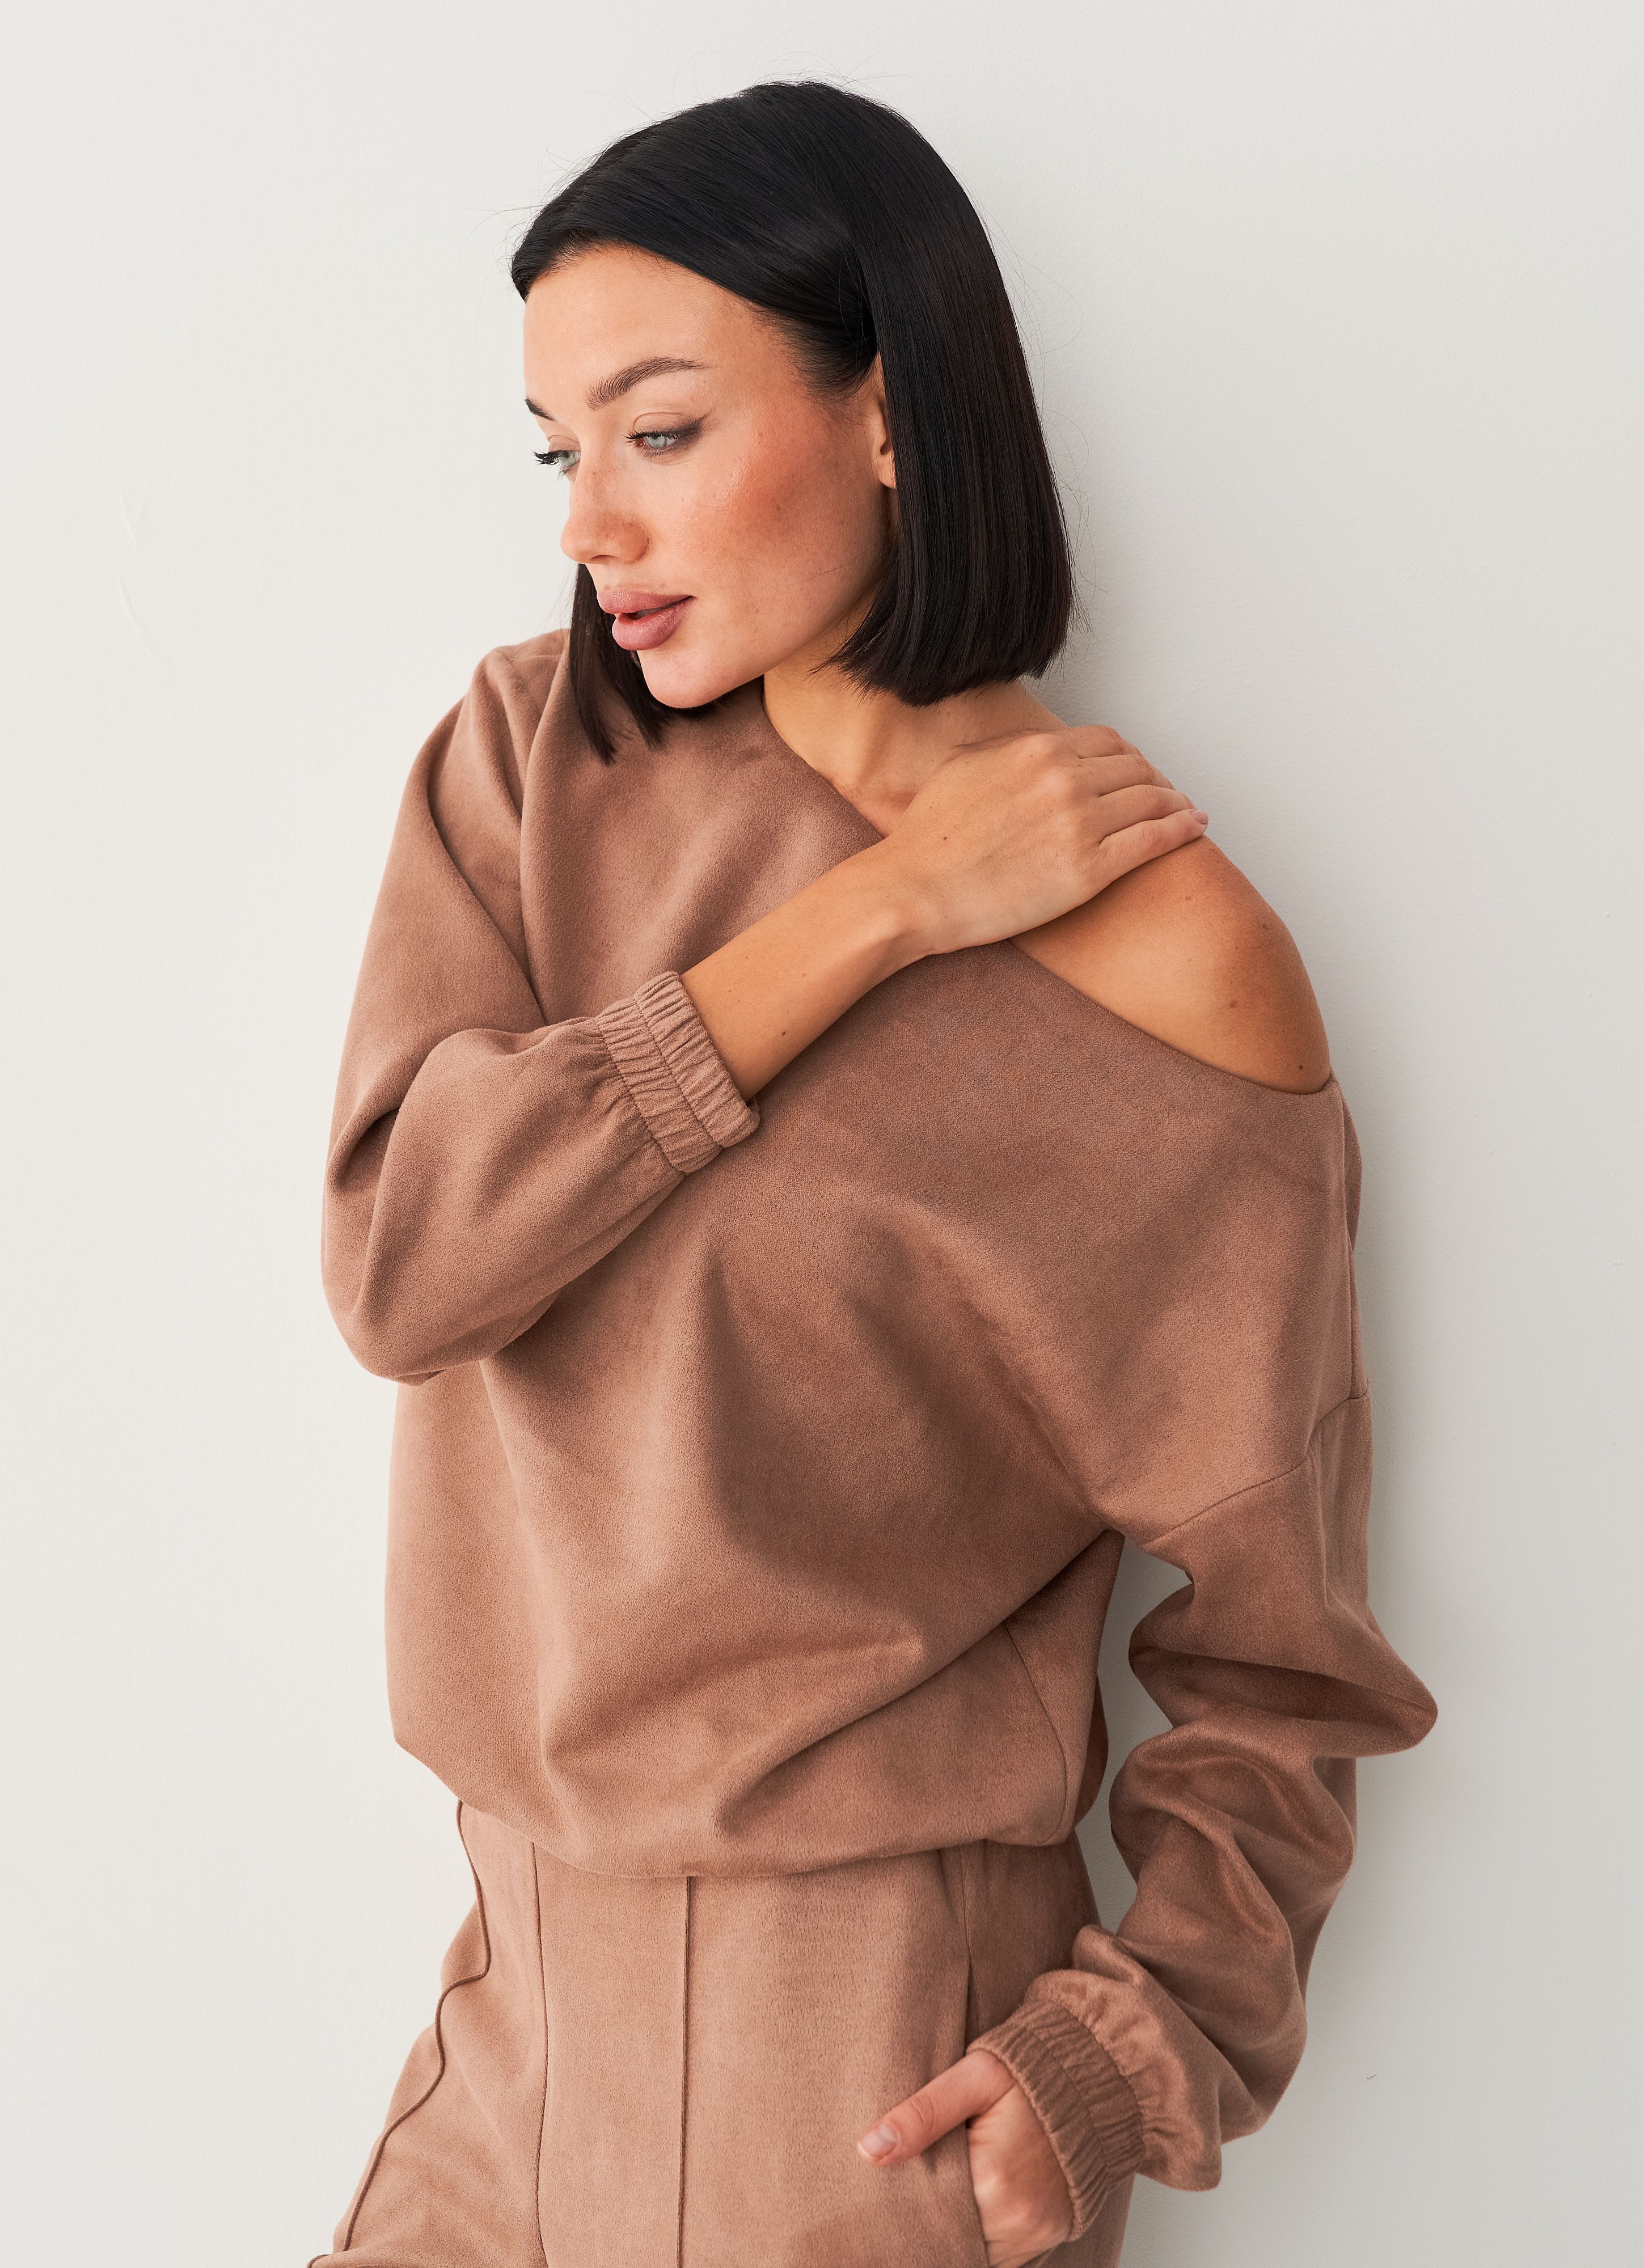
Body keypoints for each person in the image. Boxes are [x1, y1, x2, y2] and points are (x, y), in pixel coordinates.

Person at [308, 79, 1437, 2268]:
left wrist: (1127, 2050)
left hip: (865, 2077)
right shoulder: (531, 767)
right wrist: (883, 911)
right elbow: (406, 1269)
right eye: (556, 452)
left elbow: (1287, 1656)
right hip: (509, 2011)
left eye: (659, 430)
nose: (593, 527)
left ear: (894, 414)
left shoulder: (1176, 971)